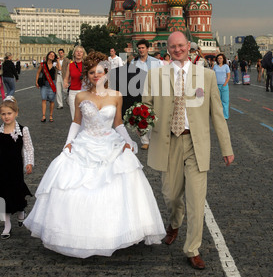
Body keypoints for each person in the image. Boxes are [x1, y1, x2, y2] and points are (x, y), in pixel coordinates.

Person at [24, 51, 165, 258]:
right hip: (86, 143)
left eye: (99, 71)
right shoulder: (81, 96)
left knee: (119, 183)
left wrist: (128, 140)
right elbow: (76, 122)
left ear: (106, 72)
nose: (96, 75)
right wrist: (68, 144)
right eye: (91, 72)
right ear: (87, 75)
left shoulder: (116, 95)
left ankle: (115, 233)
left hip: (110, 143)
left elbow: (117, 123)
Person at [142, 31, 234, 270]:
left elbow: (217, 114)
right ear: (168, 50)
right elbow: (146, 106)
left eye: (181, 45)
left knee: (196, 199)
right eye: (173, 46)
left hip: (195, 143)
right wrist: (140, 121)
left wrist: (226, 147)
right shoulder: (155, 75)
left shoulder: (206, 76)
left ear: (189, 48)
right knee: (171, 196)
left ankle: (192, 248)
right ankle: (174, 224)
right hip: (168, 142)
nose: (177, 49)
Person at [0, 96, 34, 239]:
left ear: (16, 113)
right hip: (1, 168)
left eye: (9, 113)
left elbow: (28, 148)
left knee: (17, 191)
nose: (6, 116)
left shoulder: (23, 130)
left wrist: (29, 162)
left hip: (15, 168)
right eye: (3, 114)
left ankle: (21, 210)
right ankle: (6, 224)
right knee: (2, 196)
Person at [131, 39, 163, 149]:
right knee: (141, 115)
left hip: (154, 91)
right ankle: (145, 141)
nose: (141, 50)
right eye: (139, 48)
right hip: (139, 91)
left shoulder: (156, 62)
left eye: (143, 48)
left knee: (154, 115)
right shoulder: (134, 63)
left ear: (147, 49)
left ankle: (153, 139)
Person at [36, 51, 61, 122]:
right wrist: (36, 81)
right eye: (50, 54)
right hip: (44, 84)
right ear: (48, 55)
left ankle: (50, 116)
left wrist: (58, 61)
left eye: (53, 55)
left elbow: (60, 68)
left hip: (52, 84)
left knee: (52, 101)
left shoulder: (54, 64)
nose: (51, 56)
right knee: (43, 99)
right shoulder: (43, 64)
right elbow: (38, 73)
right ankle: (43, 116)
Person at [64, 46, 87, 120]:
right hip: (73, 92)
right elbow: (66, 78)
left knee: (84, 114)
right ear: (74, 53)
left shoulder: (86, 65)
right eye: (77, 51)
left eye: (81, 51)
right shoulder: (70, 65)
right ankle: (76, 130)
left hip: (84, 92)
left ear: (83, 54)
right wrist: (65, 83)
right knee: (74, 115)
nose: (79, 53)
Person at [213, 53, 231, 120]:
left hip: (224, 86)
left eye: (220, 58)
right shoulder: (215, 66)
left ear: (223, 59)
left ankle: (225, 115)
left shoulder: (226, 66)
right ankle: (219, 115)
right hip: (217, 86)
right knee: (218, 101)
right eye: (218, 58)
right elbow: (213, 75)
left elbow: (228, 76)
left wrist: (225, 83)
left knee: (225, 101)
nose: (219, 59)